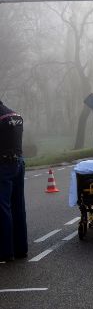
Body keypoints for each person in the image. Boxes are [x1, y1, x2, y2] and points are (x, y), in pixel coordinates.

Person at [0, 99, 27, 262]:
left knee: (3, 208)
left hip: (2, 165)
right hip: (18, 163)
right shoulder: (15, 115)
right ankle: (21, 249)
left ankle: (5, 252)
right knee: (18, 206)